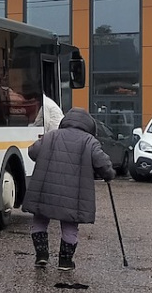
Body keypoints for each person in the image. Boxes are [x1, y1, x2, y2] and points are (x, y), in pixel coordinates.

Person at [21, 106, 115, 271]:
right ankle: (65, 261)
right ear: (88, 125)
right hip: (74, 193)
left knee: (40, 219)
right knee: (70, 225)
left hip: (46, 189)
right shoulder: (89, 141)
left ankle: (41, 256)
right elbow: (102, 163)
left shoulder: (50, 137)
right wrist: (109, 174)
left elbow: (32, 152)